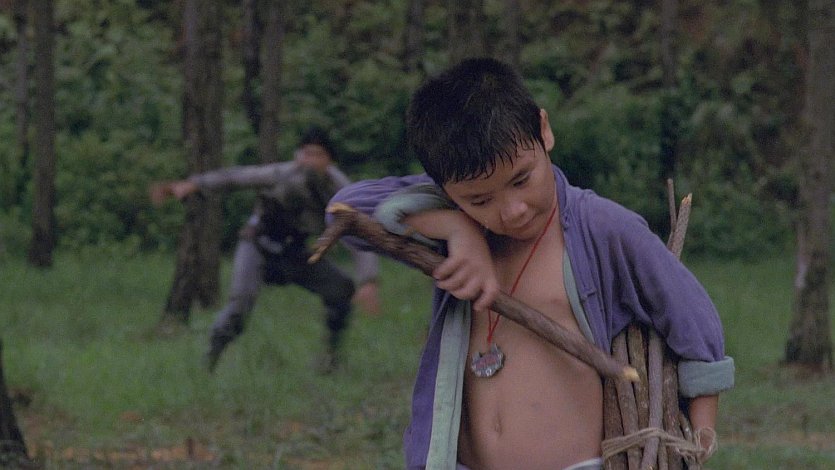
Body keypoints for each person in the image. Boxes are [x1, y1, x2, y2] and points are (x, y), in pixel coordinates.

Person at [330, 58, 734, 469]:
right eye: (480, 199)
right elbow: (344, 211)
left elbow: (692, 319)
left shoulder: (603, 228)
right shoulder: (452, 227)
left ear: (544, 130)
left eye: (521, 179)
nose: (513, 210)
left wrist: (699, 437)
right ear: (446, 190)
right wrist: (457, 228)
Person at [151, 127, 380, 373]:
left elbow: (357, 232)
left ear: (329, 161)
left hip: (294, 253)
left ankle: (330, 360)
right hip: (258, 245)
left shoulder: (340, 191)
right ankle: (209, 363)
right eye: (306, 154)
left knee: (341, 288)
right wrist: (194, 184)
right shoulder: (281, 173)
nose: (310, 161)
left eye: (317, 155)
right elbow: (237, 177)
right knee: (239, 307)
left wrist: (368, 280)